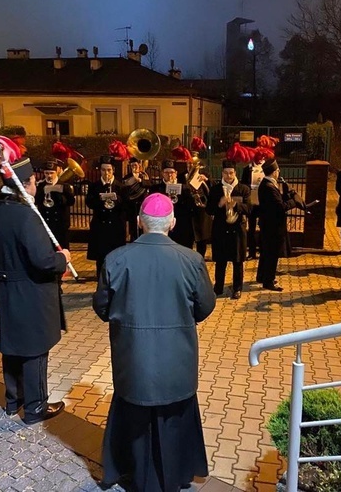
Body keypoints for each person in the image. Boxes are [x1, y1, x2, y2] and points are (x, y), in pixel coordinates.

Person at [93, 193, 216, 492]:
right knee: (174, 414)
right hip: (177, 361)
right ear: (172, 223)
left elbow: (102, 308)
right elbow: (206, 306)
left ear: (139, 222)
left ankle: (130, 472)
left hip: (133, 359)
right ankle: (176, 473)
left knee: (133, 414)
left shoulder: (115, 259)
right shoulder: (191, 260)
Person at [0, 157, 70, 424]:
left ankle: (12, 401)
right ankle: (35, 407)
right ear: (26, 184)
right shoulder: (26, 216)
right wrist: (63, 258)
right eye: (33, 183)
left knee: (13, 346)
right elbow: (43, 261)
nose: (36, 187)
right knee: (34, 350)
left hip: (4, 289)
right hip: (31, 291)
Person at [206, 160, 250, 299]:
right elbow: (208, 210)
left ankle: (237, 288)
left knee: (238, 261)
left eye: (231, 173)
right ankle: (218, 287)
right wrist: (219, 204)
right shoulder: (215, 189)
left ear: (235, 173)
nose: (228, 175)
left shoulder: (244, 189)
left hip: (237, 230)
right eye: (225, 173)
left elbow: (250, 209)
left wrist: (235, 205)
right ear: (222, 173)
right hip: (220, 230)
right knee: (220, 261)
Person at [256, 158, 297, 291]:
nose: (279, 172)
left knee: (265, 252)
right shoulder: (269, 187)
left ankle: (262, 276)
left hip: (268, 225)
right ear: (274, 172)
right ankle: (269, 280)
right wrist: (293, 202)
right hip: (273, 226)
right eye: (278, 170)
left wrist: (285, 194)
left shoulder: (268, 184)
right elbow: (280, 207)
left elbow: (276, 202)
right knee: (272, 254)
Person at [86, 155, 126, 278]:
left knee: (117, 258)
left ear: (113, 170)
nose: (106, 173)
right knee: (101, 259)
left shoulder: (120, 186)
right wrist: (100, 199)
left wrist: (117, 199)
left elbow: (126, 205)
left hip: (115, 227)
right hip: (100, 227)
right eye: (103, 170)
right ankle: (101, 283)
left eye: (109, 170)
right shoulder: (94, 186)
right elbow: (89, 203)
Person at [149, 159, 195, 249]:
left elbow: (191, 208)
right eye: (166, 172)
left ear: (176, 173)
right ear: (162, 173)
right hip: (163, 228)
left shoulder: (185, 188)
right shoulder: (155, 189)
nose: (169, 175)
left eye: (172, 172)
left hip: (181, 228)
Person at [35, 160, 75, 250]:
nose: (49, 176)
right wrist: (43, 192)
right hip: (46, 224)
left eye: (51, 173)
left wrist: (60, 193)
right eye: (47, 173)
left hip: (61, 225)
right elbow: (36, 201)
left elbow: (71, 202)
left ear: (56, 172)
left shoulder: (64, 186)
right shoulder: (40, 186)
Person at [241, 157, 265, 259]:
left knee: (264, 227)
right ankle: (252, 252)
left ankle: (263, 251)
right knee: (251, 229)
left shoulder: (266, 168)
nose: (260, 159)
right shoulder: (247, 169)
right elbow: (243, 184)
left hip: (263, 203)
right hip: (252, 203)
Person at [122, 157, 150, 241]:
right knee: (133, 228)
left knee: (143, 227)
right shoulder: (128, 176)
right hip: (132, 207)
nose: (134, 167)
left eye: (135, 165)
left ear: (139, 165)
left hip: (142, 206)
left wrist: (140, 180)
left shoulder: (144, 175)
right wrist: (132, 180)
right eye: (132, 166)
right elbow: (124, 188)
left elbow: (150, 184)